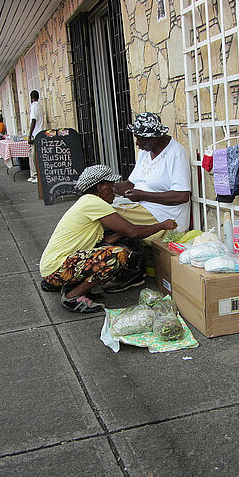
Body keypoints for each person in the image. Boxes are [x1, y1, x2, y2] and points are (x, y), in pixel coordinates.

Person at [40, 165, 177, 313]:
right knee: (118, 255)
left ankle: (74, 286)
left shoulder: (87, 202)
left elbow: (103, 242)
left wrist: (123, 233)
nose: (114, 192)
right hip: (57, 269)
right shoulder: (93, 203)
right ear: (100, 187)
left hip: (54, 267)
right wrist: (163, 225)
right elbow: (133, 232)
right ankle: (73, 296)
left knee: (110, 251)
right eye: (111, 187)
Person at [107, 112, 191, 292]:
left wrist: (143, 195)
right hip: (141, 206)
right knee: (103, 209)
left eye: (140, 139)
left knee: (109, 217)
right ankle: (123, 266)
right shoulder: (146, 151)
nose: (137, 143)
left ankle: (133, 271)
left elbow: (182, 195)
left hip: (166, 214)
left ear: (156, 137)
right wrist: (108, 187)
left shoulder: (175, 153)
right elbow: (131, 183)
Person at [27, 90, 44, 183]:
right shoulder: (39, 106)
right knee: (34, 155)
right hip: (39, 132)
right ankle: (34, 174)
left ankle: (36, 175)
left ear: (31, 98)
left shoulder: (34, 106)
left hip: (36, 133)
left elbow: (33, 120)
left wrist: (29, 135)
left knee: (34, 156)